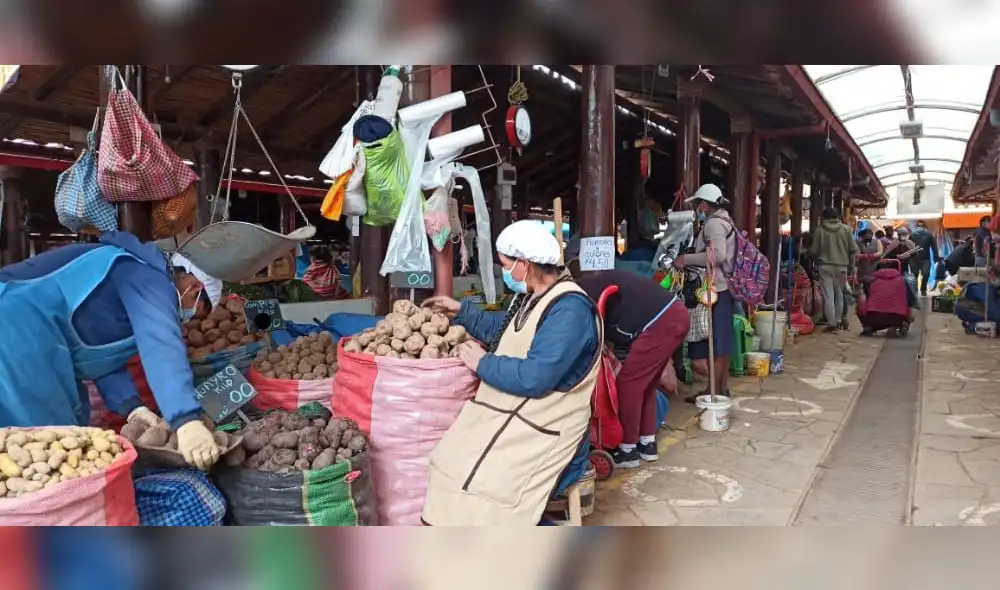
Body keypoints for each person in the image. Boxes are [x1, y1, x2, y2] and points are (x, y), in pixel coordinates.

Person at [419, 220, 601, 526]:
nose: (505, 273)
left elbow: (535, 376)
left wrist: (482, 363)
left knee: (484, 482)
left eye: (506, 265)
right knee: (449, 458)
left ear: (525, 265)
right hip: (518, 418)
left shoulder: (571, 310)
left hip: (550, 431)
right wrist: (462, 312)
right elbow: (507, 332)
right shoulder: (531, 297)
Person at [0, 231, 221, 471]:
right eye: (195, 311)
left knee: (34, 445)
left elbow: (101, 357)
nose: (185, 320)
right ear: (195, 287)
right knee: (46, 442)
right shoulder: (146, 275)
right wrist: (186, 419)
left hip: (29, 338)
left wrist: (131, 406)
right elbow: (161, 343)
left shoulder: (133, 278)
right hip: (16, 328)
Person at [563, 239, 689, 469]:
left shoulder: (576, 295)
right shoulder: (588, 288)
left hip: (661, 321)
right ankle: (647, 443)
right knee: (647, 384)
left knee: (628, 385)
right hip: (674, 314)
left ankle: (628, 449)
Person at [672, 183, 737, 400]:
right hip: (722, 287)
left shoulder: (714, 225)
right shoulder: (725, 219)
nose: (699, 209)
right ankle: (719, 388)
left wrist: (685, 259)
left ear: (704, 204)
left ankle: (714, 390)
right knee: (721, 342)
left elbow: (717, 256)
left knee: (714, 343)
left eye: (699, 204)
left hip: (714, 289)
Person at [809, 207, 858, 332]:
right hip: (842, 266)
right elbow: (853, 250)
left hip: (824, 266)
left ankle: (831, 323)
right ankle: (838, 320)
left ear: (824, 217)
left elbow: (813, 251)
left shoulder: (819, 231)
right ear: (838, 217)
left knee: (828, 295)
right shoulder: (846, 229)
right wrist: (852, 266)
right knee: (839, 294)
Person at [857, 259, 917, 337]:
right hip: (895, 317)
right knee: (906, 305)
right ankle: (895, 326)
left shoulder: (871, 280)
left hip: (873, 317)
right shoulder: (902, 281)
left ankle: (868, 327)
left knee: (861, 302)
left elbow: (868, 298)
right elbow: (911, 301)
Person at [908, 220, 939, 296]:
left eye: (921, 226)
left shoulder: (929, 235)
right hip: (914, 258)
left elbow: (934, 247)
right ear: (917, 227)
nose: (920, 228)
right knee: (914, 274)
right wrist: (907, 258)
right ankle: (915, 290)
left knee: (926, 273)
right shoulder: (912, 235)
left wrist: (936, 257)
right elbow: (908, 247)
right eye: (919, 226)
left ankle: (923, 288)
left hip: (925, 259)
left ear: (924, 227)